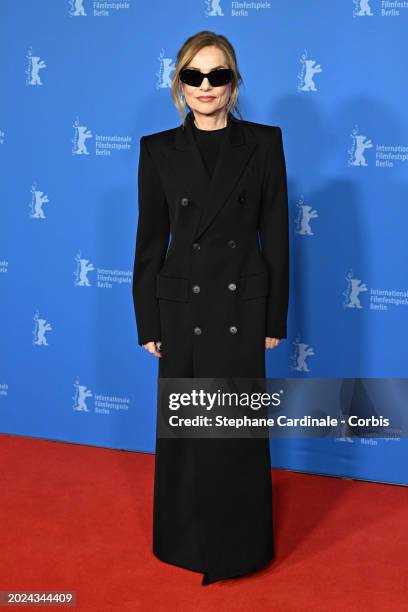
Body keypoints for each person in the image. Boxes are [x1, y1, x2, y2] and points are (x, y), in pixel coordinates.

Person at [132, 30, 289, 586]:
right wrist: (148, 320)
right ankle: (182, 540)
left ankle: (240, 546)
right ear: (179, 83)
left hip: (241, 306)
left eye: (217, 75)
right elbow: (150, 242)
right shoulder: (157, 149)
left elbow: (275, 233)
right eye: (194, 75)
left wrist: (273, 317)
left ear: (234, 82)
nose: (205, 86)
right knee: (184, 431)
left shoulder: (264, 143)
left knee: (234, 433)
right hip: (181, 307)